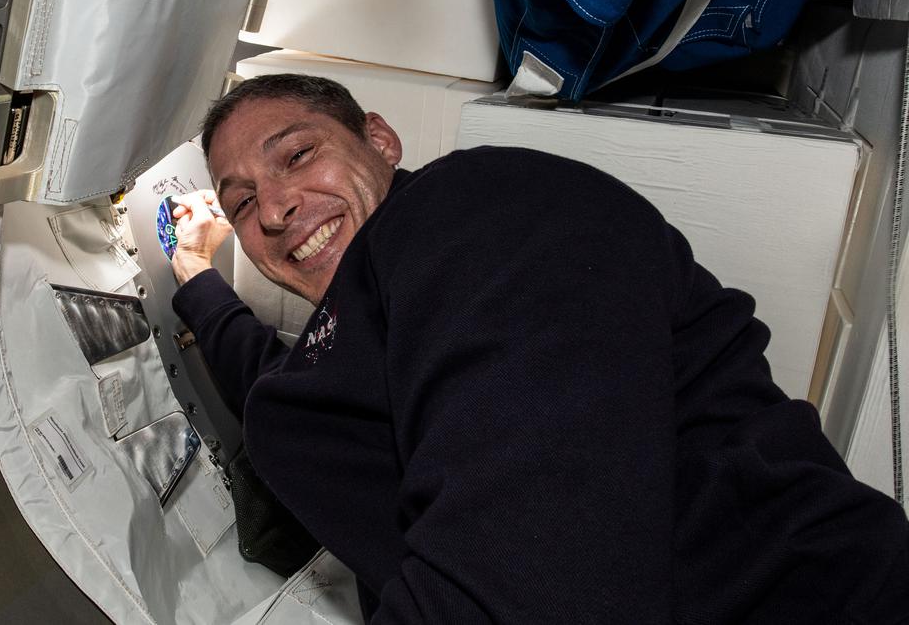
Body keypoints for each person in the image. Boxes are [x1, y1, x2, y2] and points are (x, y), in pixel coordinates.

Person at [167, 73, 909, 623]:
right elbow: (285, 382)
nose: (272, 207)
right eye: (240, 200)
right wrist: (197, 278)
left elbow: (527, 581)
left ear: (382, 140)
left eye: (296, 155)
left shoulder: (472, 211)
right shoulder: (367, 321)